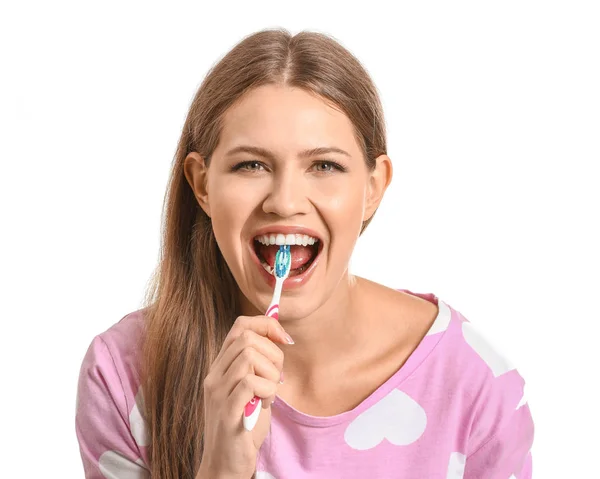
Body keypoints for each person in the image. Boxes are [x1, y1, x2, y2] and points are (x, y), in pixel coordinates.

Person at [75, 28, 535, 479]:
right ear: (201, 185)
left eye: (324, 165)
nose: (285, 200)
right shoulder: (123, 375)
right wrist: (221, 469)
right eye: (251, 165)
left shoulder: (474, 384)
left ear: (373, 188)